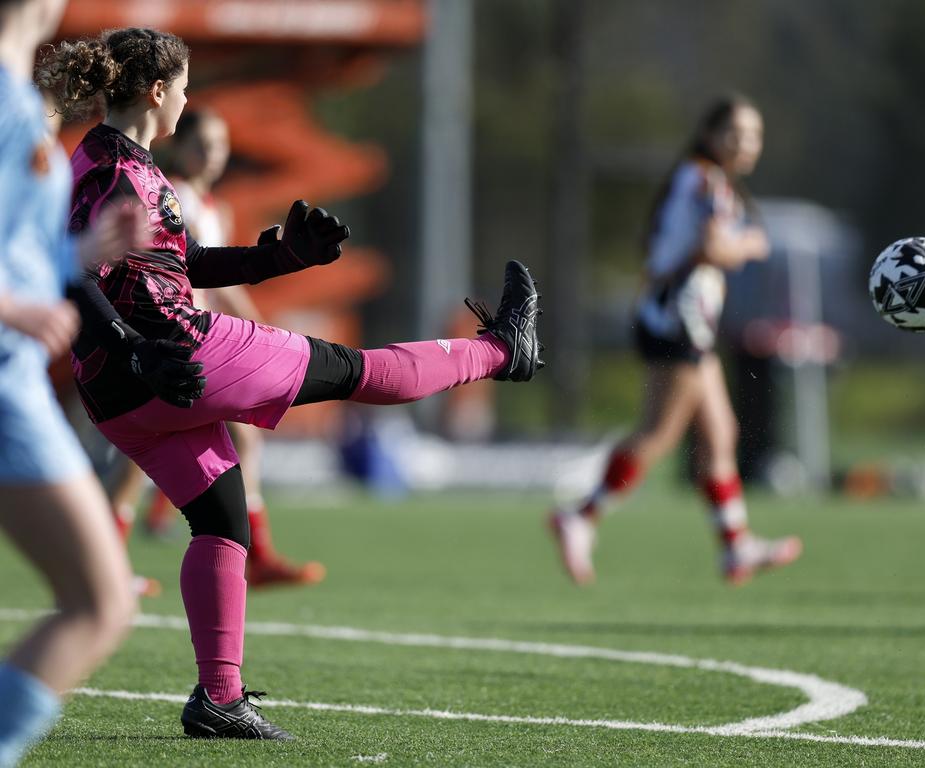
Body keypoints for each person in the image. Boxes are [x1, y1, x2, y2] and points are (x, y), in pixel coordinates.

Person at [37, 26, 542, 741]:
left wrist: (279, 258)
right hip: (177, 358)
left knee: (220, 522)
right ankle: (501, 350)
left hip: (126, 395)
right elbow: (76, 274)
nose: (188, 98)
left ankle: (219, 699)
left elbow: (184, 265)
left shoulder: (113, 159)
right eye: (183, 86)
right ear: (157, 92)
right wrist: (133, 347)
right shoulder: (119, 173)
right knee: (358, 370)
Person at [549, 95, 801, 587]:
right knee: (660, 434)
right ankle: (581, 516)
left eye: (754, 135)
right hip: (676, 322)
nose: (747, 144)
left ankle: (735, 547)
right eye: (737, 133)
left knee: (720, 433)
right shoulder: (707, 180)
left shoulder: (702, 178)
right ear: (710, 134)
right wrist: (749, 244)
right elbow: (711, 248)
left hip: (680, 321)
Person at [0, 1, 142, 764]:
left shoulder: (19, 98)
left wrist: (80, 249)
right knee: (99, 603)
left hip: (12, 380)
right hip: (3, 384)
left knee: (99, 602)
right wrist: (13, 305)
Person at [106, 108, 327, 588]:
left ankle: (245, 552)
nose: (214, 155)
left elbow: (213, 275)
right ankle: (251, 554)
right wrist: (264, 329)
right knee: (147, 458)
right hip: (172, 337)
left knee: (189, 449)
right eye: (204, 145)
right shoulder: (174, 196)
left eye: (222, 145)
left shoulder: (213, 206)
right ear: (181, 147)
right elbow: (199, 269)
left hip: (197, 336)